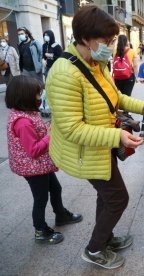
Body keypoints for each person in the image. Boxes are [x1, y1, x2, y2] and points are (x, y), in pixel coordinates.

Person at [45, 5, 144, 269]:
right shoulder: (64, 73)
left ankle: (105, 237)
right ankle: (95, 249)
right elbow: (72, 128)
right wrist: (117, 135)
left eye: (111, 40)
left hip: (101, 145)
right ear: (85, 38)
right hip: (86, 150)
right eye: (106, 40)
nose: (110, 46)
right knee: (118, 198)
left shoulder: (96, 63)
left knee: (106, 196)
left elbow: (115, 96)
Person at [5, 75, 82, 245]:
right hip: (32, 167)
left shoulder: (26, 113)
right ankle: (40, 230)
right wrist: (49, 136)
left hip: (39, 166)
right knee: (40, 198)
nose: (40, 98)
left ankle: (60, 215)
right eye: (37, 94)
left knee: (56, 189)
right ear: (25, 97)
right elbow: (33, 150)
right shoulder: (23, 122)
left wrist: (46, 130)